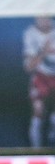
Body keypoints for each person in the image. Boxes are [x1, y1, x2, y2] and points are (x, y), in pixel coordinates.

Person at [22, 16, 55, 148]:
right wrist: (43, 52)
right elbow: (28, 67)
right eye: (40, 17)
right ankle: (36, 151)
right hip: (41, 76)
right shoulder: (30, 34)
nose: (44, 20)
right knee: (38, 110)